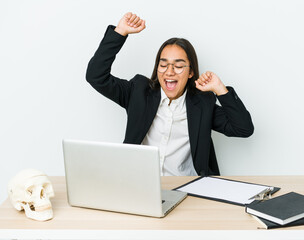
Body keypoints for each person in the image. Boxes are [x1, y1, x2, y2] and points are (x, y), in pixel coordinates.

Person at [86, 12, 254, 176]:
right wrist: (120, 32)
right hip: (139, 184)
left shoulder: (203, 104)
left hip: (187, 188)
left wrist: (220, 89)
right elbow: (95, 76)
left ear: (190, 73)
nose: (170, 72)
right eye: (163, 64)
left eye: (179, 65)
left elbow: (243, 129)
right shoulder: (138, 91)